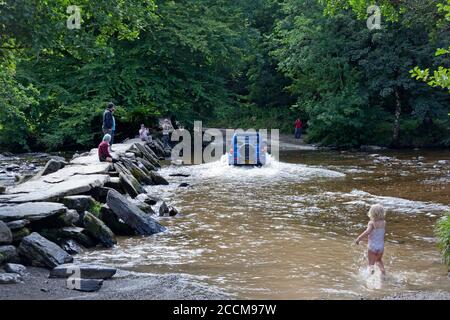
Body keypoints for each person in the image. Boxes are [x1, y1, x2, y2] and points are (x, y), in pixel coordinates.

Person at [355, 204, 386, 275]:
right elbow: (383, 233)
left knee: (371, 263)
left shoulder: (371, 223)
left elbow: (367, 232)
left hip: (372, 246)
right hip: (381, 246)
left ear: (371, 213)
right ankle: (383, 273)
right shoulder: (384, 223)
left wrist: (359, 238)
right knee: (379, 260)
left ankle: (370, 275)